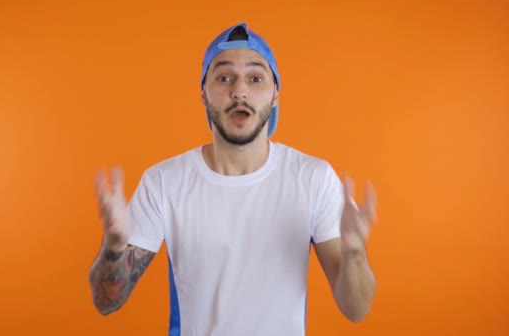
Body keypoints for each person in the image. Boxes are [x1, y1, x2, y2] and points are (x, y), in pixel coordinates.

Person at [89, 22, 377, 335]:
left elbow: (356, 309)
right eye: (224, 77)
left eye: (255, 78)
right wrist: (115, 246)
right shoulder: (163, 182)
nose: (239, 90)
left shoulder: (313, 178)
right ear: (203, 93)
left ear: (275, 93)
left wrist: (355, 253)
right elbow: (106, 302)